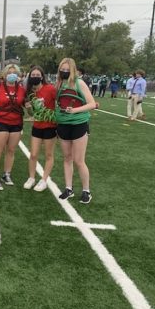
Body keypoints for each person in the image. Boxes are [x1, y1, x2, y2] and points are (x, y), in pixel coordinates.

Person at [55, 57, 96, 204]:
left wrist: (75, 110)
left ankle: (86, 190)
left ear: (73, 70)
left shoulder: (80, 83)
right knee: (67, 158)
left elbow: (92, 104)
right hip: (63, 124)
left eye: (67, 69)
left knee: (79, 160)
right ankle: (68, 188)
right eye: (62, 69)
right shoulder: (59, 83)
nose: (64, 72)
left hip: (79, 123)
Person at [0, 64, 26, 190]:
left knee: (11, 150)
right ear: (4, 75)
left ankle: (6, 174)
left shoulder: (21, 89)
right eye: (9, 72)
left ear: (18, 75)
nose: (12, 74)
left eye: (14, 72)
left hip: (17, 122)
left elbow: (25, 105)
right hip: (1, 121)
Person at [23, 66, 57, 192]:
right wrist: (27, 107)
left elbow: (59, 104)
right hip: (37, 126)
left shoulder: (51, 89)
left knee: (48, 154)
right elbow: (32, 113)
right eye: (33, 75)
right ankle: (31, 178)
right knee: (33, 154)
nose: (35, 77)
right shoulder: (30, 92)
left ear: (42, 76)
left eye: (38, 74)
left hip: (50, 127)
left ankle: (43, 180)